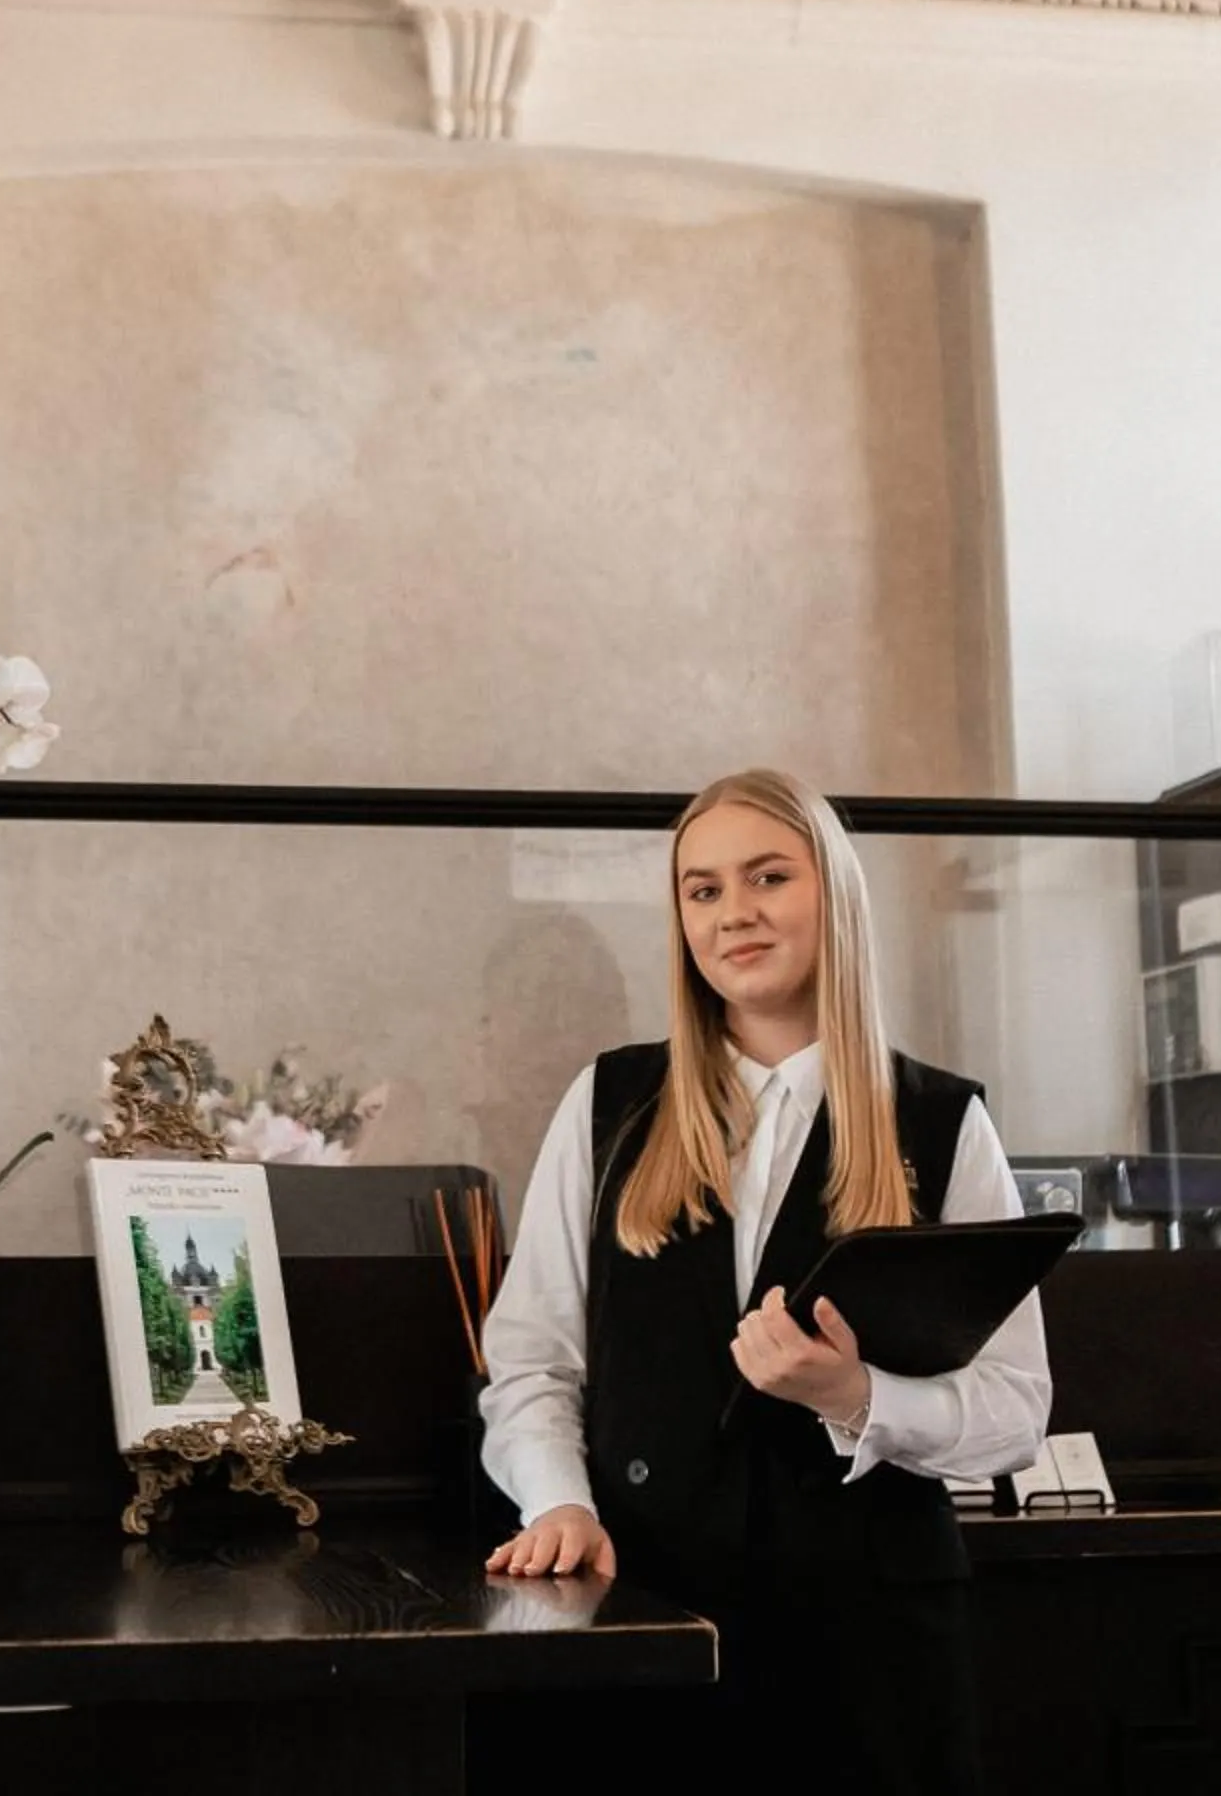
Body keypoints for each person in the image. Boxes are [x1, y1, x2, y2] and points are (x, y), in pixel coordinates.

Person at [476, 768, 1051, 1793]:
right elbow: (532, 1356)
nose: (733, 912)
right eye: (702, 890)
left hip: (869, 1647)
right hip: (643, 1611)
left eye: (768, 877)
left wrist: (858, 1398)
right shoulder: (610, 1104)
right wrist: (557, 1504)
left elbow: (1016, 1411)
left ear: (833, 893)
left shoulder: (945, 1123)